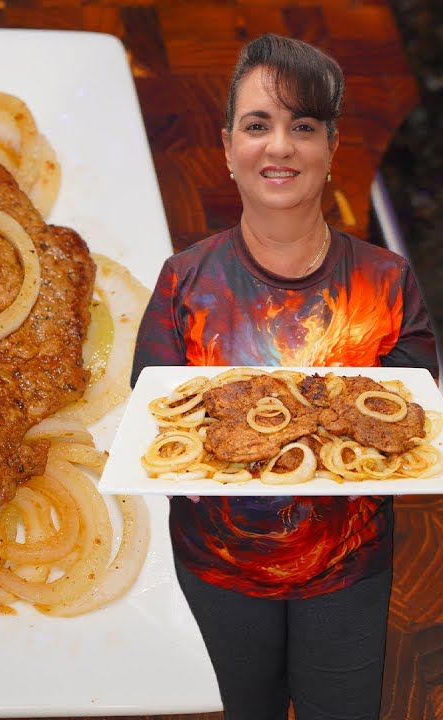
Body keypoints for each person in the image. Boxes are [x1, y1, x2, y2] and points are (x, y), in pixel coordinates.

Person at [131, 33, 439, 720]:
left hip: (350, 572)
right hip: (215, 567)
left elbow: (416, 404)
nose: (279, 147)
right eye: (257, 125)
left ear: (331, 150)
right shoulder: (186, 278)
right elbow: (150, 403)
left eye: (302, 127)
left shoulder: (386, 279)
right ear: (227, 147)